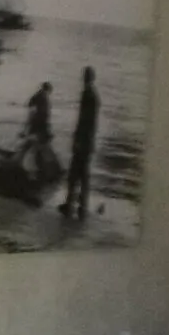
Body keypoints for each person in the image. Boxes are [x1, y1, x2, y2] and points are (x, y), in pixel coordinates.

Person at [61, 66, 101, 220]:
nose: (83, 79)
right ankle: (81, 207)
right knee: (83, 175)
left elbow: (84, 121)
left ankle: (70, 205)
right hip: (88, 142)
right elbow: (92, 123)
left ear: (85, 78)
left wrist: (77, 140)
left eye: (84, 76)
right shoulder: (94, 96)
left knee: (75, 174)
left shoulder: (87, 95)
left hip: (83, 142)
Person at [16, 81, 60, 185]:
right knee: (37, 151)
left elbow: (31, 114)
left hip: (36, 129)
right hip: (39, 130)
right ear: (48, 90)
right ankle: (36, 176)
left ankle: (31, 174)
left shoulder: (36, 97)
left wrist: (25, 129)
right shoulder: (43, 99)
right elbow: (41, 116)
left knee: (31, 150)